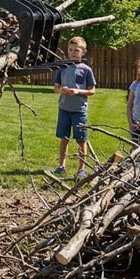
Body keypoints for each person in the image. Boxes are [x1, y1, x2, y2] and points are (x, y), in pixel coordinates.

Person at [52, 36, 96, 179]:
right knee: (64, 138)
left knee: (81, 140)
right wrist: (62, 90)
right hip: (64, 108)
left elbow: (92, 91)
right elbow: (56, 88)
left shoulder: (86, 70)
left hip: (79, 110)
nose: (73, 53)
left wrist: (78, 91)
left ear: (83, 52)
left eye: (76, 50)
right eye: (70, 50)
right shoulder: (62, 67)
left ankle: (81, 169)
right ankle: (61, 166)